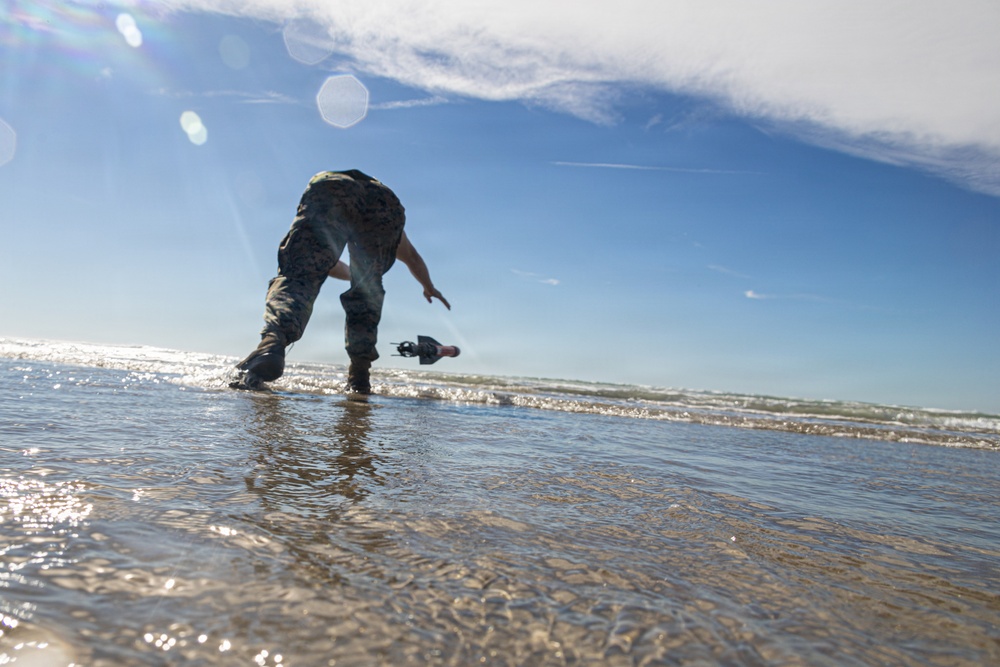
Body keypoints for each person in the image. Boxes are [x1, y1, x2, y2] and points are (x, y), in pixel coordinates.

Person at [232, 169, 450, 393]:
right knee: (368, 290)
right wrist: (428, 287)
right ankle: (360, 377)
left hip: (331, 185)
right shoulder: (376, 197)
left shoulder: (337, 190)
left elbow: (318, 263)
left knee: (300, 273)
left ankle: (272, 344)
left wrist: (335, 271)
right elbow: (412, 257)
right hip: (385, 202)